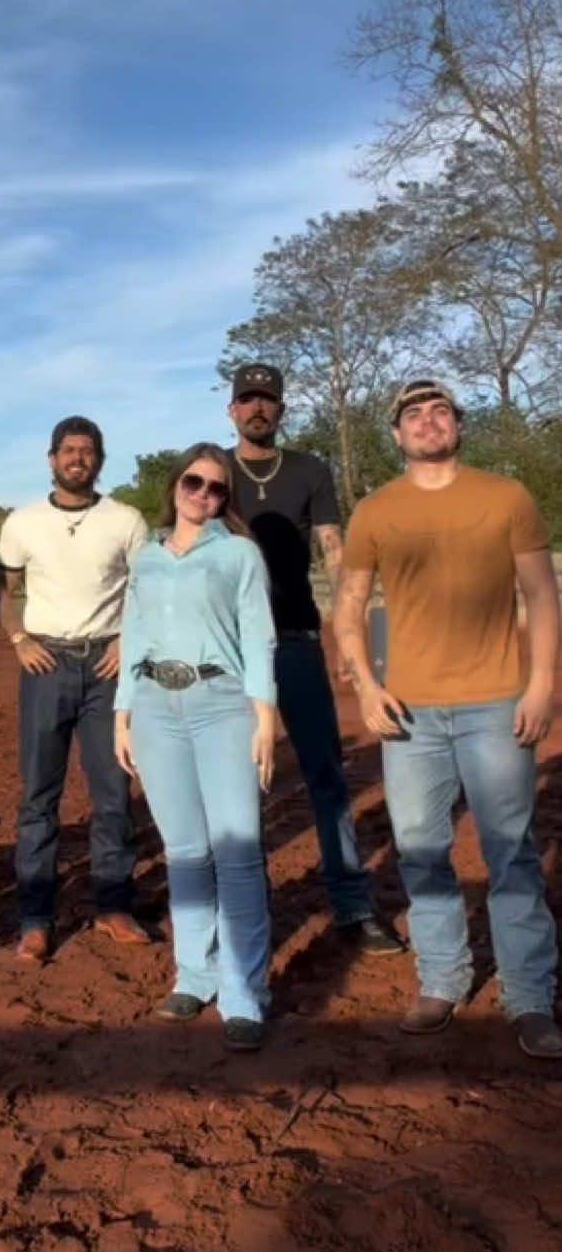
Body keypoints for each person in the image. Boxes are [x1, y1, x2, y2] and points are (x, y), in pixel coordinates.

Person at [334, 378, 561, 1058]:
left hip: (496, 701)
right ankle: (442, 977)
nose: (427, 420)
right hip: (410, 713)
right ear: (397, 435)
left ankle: (528, 993)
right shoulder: (375, 511)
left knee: (511, 850)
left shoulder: (505, 497)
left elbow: (541, 595)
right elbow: (348, 606)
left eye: (439, 411)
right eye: (413, 414)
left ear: (457, 424)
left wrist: (542, 683)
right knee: (421, 849)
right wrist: (366, 688)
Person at [225, 363, 401, 953]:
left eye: (267, 401)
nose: (258, 409)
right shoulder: (213, 473)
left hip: (296, 641)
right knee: (240, 783)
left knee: (326, 776)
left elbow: (334, 553)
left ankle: (351, 902)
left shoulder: (308, 470)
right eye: (247, 400)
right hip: (230, 652)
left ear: (280, 409)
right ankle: (245, 911)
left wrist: (350, 638)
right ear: (231, 410)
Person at [114, 443, 277, 1050]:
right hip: (156, 706)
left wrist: (264, 715)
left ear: (225, 499)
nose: (203, 494)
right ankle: (194, 973)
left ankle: (242, 992)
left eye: (216, 488)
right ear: (175, 485)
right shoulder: (148, 557)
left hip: (221, 704)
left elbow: (258, 635)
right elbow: (134, 635)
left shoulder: (238, 554)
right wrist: (122, 713)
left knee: (236, 849)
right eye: (194, 482)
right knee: (184, 850)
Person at [0, 416, 150, 961]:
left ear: (99, 459)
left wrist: (129, 639)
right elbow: (1, 588)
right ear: (51, 457)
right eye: (68, 450)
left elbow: (146, 587)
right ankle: (35, 918)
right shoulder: (23, 522)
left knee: (113, 794)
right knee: (39, 796)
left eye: (87, 451)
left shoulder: (126, 520)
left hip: (108, 668)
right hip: (45, 665)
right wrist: (17, 638)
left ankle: (113, 905)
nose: (77, 458)